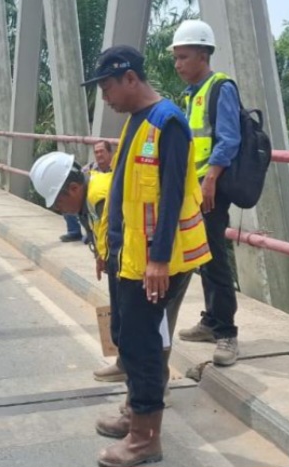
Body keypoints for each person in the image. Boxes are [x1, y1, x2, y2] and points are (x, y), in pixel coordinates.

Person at [83, 45, 211, 467]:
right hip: (128, 256)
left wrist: (158, 260)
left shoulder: (167, 122)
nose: (104, 97)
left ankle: (145, 439)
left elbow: (171, 196)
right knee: (128, 339)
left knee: (141, 345)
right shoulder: (137, 122)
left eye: (106, 87)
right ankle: (134, 414)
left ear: (130, 78)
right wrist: (108, 249)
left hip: (152, 262)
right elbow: (124, 195)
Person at [170, 19, 242, 367]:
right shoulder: (192, 94)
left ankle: (226, 332)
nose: (178, 64)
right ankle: (211, 320)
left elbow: (229, 138)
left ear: (202, 54)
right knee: (202, 257)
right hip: (195, 189)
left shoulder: (220, 87)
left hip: (209, 188)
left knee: (214, 257)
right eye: (176, 58)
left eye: (183, 57)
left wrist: (211, 179)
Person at [60, 142, 113, 243]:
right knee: (66, 200)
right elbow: (78, 179)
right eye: (96, 152)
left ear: (110, 153)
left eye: (102, 151)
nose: (99, 155)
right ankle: (75, 232)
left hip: (107, 203)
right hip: (90, 204)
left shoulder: (117, 168)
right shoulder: (90, 167)